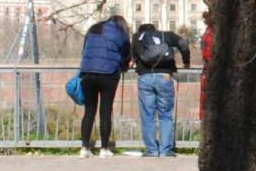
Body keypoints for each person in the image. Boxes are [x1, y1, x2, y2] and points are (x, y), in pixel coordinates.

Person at [130, 19, 190, 158]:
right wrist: (186, 61)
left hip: (145, 77)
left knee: (147, 115)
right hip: (165, 76)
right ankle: (165, 150)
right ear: (155, 29)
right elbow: (182, 43)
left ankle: (151, 150)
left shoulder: (137, 37)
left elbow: (132, 56)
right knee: (165, 114)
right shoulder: (166, 35)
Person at [77, 14, 131, 157]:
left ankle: (84, 147)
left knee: (89, 110)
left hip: (88, 72)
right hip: (109, 73)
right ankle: (104, 148)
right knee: (105, 111)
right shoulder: (121, 33)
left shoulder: (93, 29)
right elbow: (126, 54)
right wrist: (124, 66)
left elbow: (84, 50)